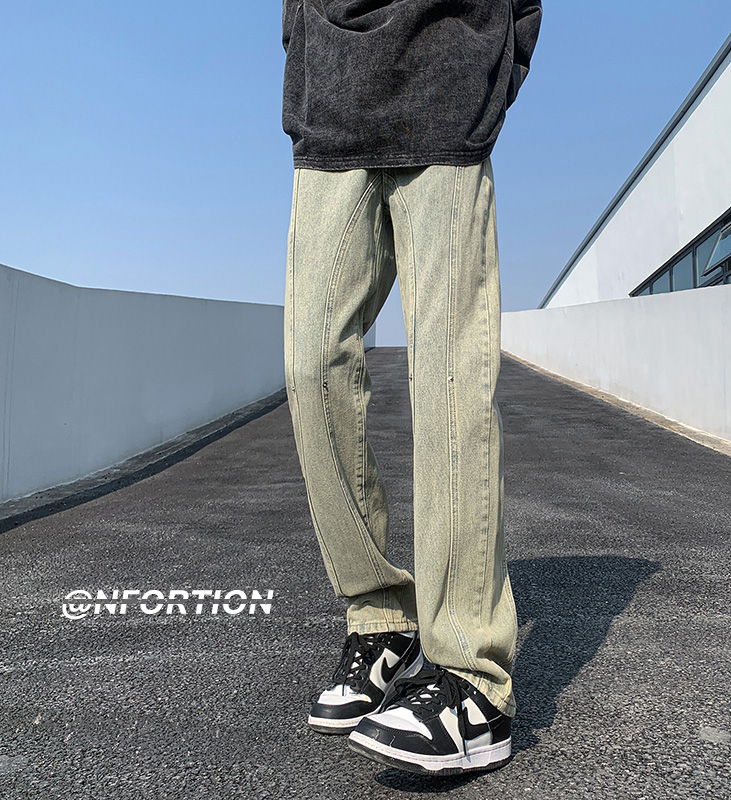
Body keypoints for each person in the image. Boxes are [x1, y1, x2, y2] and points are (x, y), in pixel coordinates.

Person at [281, 0, 542, 776]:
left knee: (449, 379)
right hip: (333, 114)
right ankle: (380, 617)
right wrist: (304, 63)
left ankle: (473, 681)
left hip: (445, 88)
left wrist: (491, 70)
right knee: (309, 366)